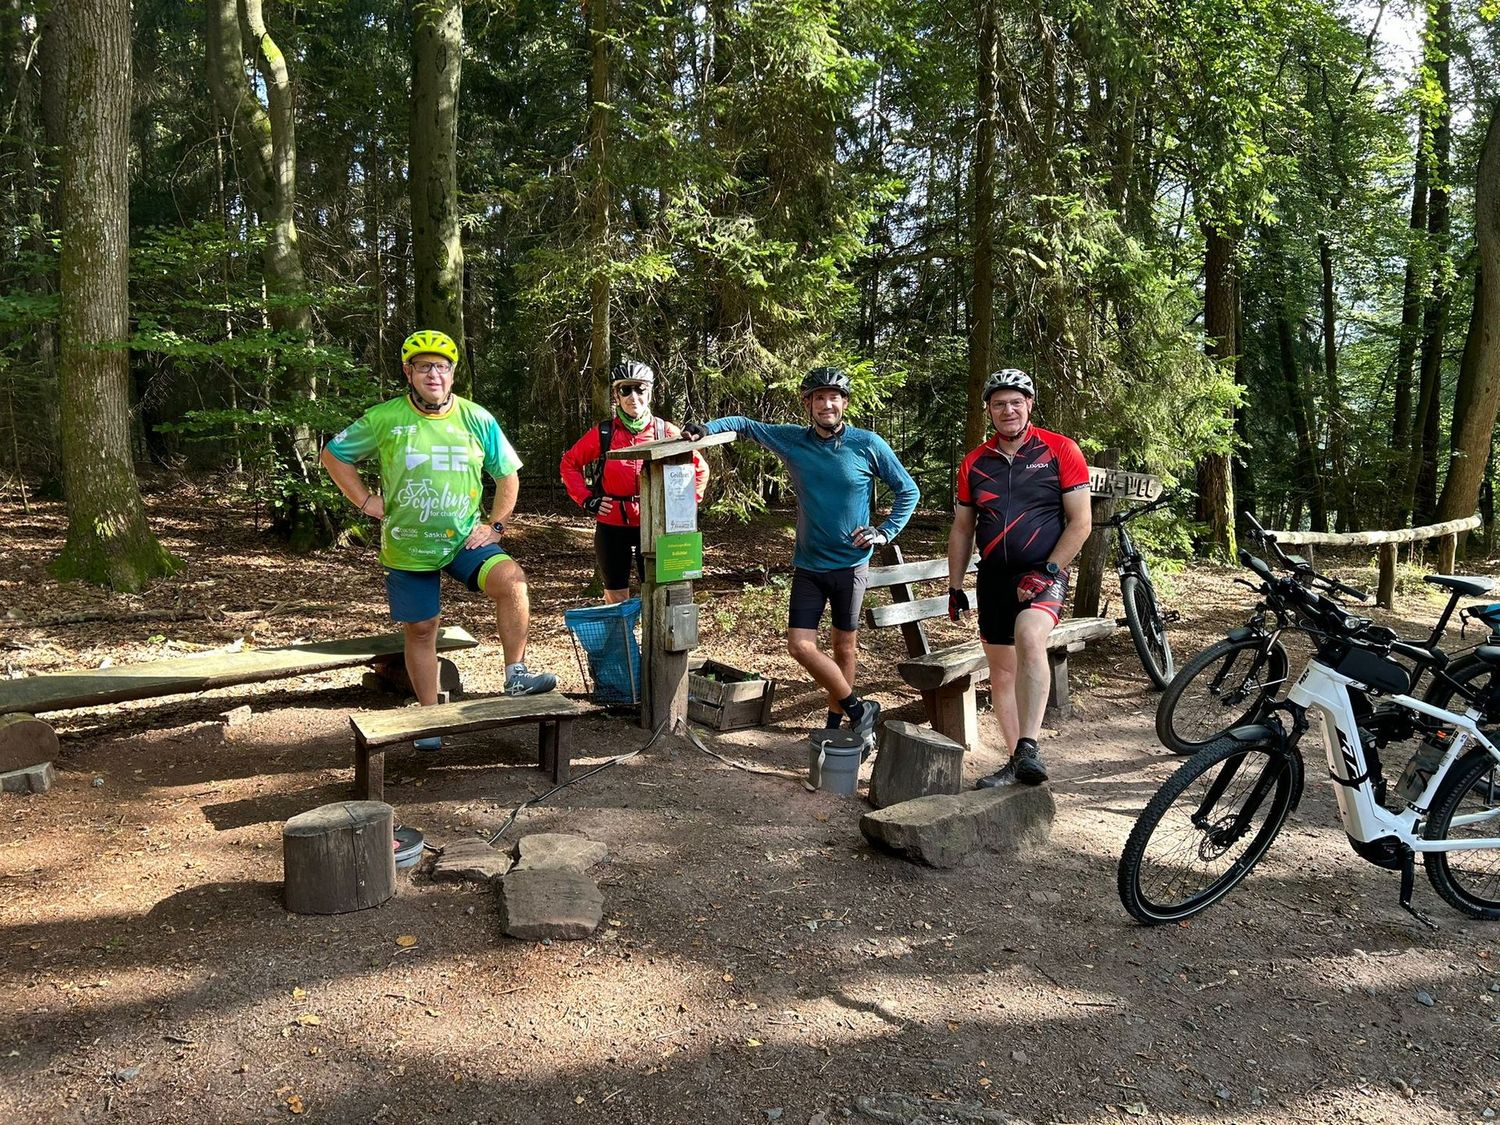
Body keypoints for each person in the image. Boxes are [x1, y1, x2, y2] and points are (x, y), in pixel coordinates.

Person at [320, 329, 556, 751]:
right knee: (423, 629)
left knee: (513, 582)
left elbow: (507, 476)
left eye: (442, 366)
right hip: (408, 542)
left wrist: (496, 526)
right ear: (409, 372)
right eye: (425, 366)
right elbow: (334, 455)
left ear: (452, 374)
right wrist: (364, 500)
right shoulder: (385, 418)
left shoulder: (476, 418)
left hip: (465, 540)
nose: (434, 374)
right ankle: (430, 717)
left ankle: (516, 676)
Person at [682, 366, 920, 748]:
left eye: (834, 397)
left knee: (844, 647)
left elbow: (908, 491)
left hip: (850, 566)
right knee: (800, 646)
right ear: (808, 404)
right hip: (809, 565)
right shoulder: (792, 440)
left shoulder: (868, 444)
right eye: (819, 397)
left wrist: (883, 531)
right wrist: (704, 428)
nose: (828, 404)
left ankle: (835, 722)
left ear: (844, 403)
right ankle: (859, 710)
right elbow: (743, 423)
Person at [946, 368, 1091, 786]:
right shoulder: (975, 462)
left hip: (1043, 572)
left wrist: (1048, 570)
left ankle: (1029, 744)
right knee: (1002, 672)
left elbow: (1080, 522)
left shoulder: (1060, 449)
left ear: (1029, 405)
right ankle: (1018, 762)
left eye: (1015, 402)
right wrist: (955, 587)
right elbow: (962, 528)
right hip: (993, 577)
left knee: (1031, 637)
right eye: (998, 404)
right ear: (989, 410)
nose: (1007, 410)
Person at [559, 359, 709, 603]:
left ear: (650, 392)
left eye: (640, 389)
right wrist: (587, 500)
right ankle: (623, 642)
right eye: (625, 389)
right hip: (612, 526)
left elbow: (700, 470)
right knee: (615, 595)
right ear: (616, 395)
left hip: (653, 525)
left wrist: (683, 507)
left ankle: (653, 642)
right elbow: (569, 464)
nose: (633, 396)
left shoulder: (665, 431)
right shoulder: (605, 432)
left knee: (658, 592)